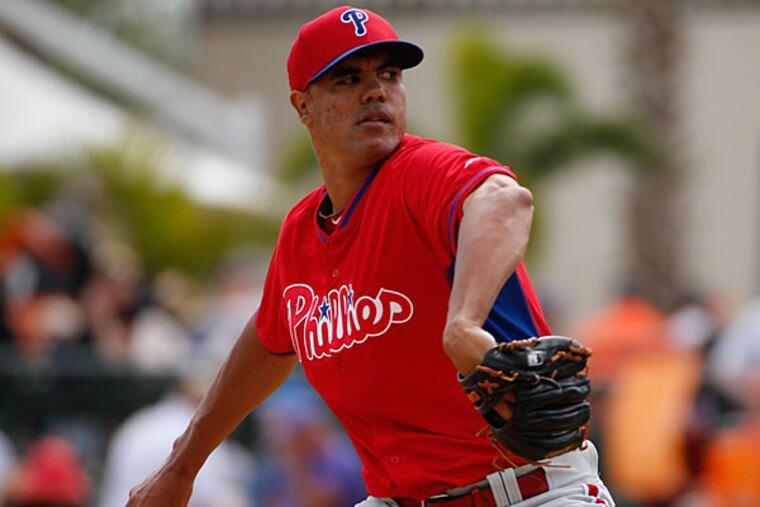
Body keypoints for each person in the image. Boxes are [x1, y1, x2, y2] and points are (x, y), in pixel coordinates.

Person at [127, 6, 614, 507]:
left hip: (528, 494)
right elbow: (270, 337)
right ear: (303, 106)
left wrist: (463, 325)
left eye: (389, 74)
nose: (376, 89)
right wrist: (182, 465)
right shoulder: (301, 234)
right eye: (347, 78)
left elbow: (504, 200)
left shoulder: (420, 173)